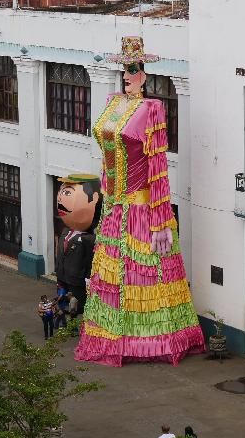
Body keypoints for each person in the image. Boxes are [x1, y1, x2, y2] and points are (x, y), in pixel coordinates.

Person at [75, 36, 207, 367]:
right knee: (115, 278)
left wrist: (162, 221)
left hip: (140, 209)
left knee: (145, 276)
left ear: (144, 74)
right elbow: (107, 159)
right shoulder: (113, 103)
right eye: (124, 68)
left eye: (132, 69)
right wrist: (106, 195)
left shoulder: (152, 110)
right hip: (116, 207)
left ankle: (153, 340)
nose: (126, 75)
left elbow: (158, 169)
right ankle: (115, 339)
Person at [55, 174, 102, 317]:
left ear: (94, 199)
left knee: (76, 304)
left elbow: (90, 261)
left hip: (77, 280)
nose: (62, 199)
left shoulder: (88, 240)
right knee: (62, 300)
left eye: (68, 193)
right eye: (63, 193)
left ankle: (74, 319)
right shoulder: (65, 232)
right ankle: (63, 312)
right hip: (62, 276)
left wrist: (87, 279)